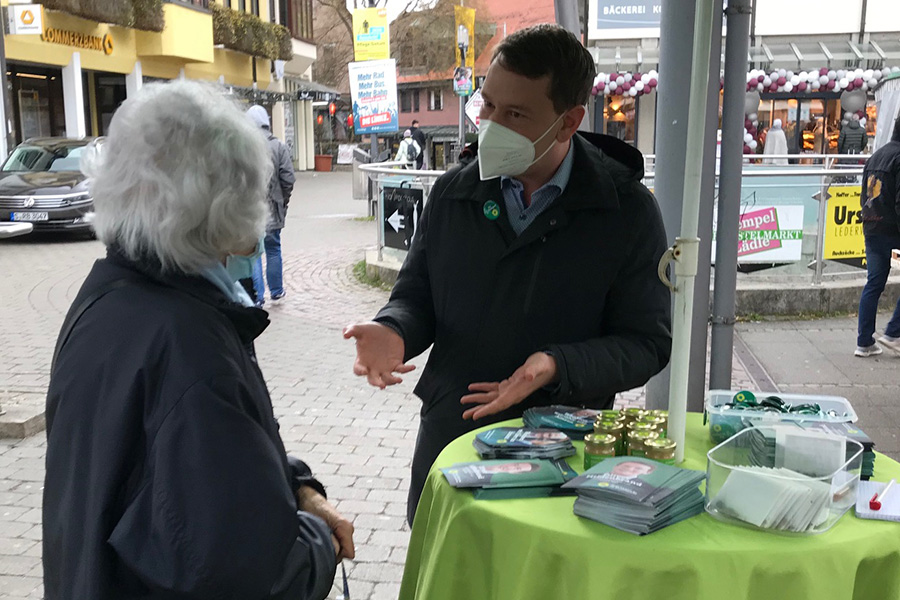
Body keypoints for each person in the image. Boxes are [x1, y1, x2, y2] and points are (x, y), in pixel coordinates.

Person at [344, 24, 672, 525]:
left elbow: (646, 343)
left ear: (568, 122)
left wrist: (556, 365)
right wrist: (395, 329)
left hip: (560, 455)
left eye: (515, 114)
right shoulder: (455, 193)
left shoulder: (625, 212)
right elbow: (418, 296)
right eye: (489, 105)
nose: (491, 125)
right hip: (453, 443)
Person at [43, 81, 354, 600]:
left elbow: (191, 464)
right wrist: (320, 540)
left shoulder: (106, 300)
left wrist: (297, 486)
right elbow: (259, 575)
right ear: (220, 203)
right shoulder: (191, 344)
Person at [855, 114, 900, 357]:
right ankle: (894, 332)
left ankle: (864, 342)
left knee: (874, 283)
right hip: (894, 233)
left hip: (872, 229)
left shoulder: (876, 155)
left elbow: (864, 195)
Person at [247, 104, 295, 307]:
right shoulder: (279, 146)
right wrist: (283, 200)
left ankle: (257, 296)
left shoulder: (244, 146)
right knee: (273, 248)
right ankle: (276, 291)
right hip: (273, 207)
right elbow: (288, 178)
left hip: (249, 210)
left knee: (253, 252)